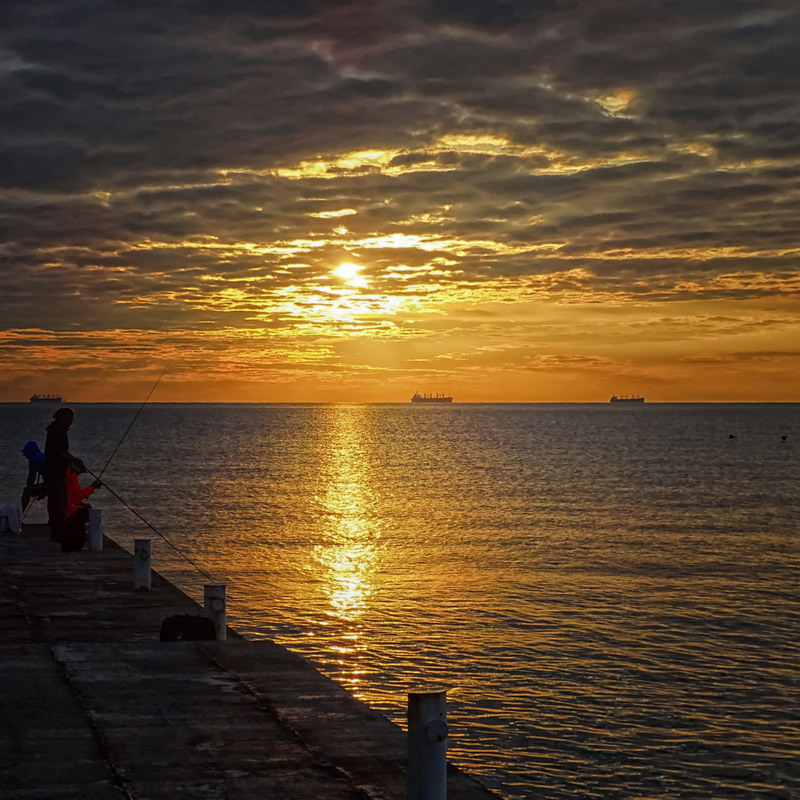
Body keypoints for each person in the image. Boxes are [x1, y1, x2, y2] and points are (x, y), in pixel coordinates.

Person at [44, 407, 86, 545]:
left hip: (58, 471)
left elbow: (62, 454)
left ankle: (59, 531)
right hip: (55, 473)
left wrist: (72, 466)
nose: (72, 422)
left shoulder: (57, 430)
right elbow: (59, 453)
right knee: (59, 503)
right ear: (64, 418)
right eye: (71, 419)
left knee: (61, 502)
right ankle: (59, 532)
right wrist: (75, 460)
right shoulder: (57, 431)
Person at [62, 465, 102, 551]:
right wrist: (92, 487)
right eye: (79, 472)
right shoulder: (71, 478)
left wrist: (82, 504)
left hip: (61, 509)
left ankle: (76, 535)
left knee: (84, 512)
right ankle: (85, 538)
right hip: (68, 512)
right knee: (88, 515)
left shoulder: (64, 476)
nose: (79, 475)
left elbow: (71, 497)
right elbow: (79, 495)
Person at [21, 440, 48, 510]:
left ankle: (20, 514)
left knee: (26, 491)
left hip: (50, 484)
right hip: (54, 482)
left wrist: (29, 487)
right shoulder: (42, 454)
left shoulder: (33, 460)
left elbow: (31, 478)